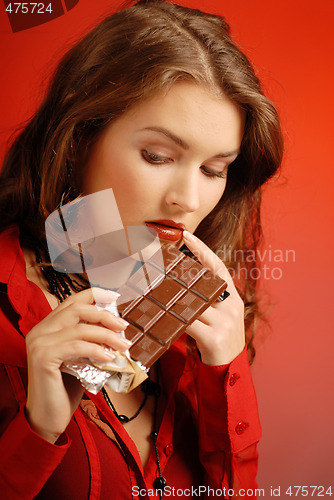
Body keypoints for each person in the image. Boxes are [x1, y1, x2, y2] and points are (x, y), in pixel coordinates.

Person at [0, 0, 283, 498]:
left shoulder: (199, 318)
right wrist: (38, 428)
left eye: (214, 170)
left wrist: (226, 369)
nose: (187, 199)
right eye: (157, 156)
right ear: (78, 139)